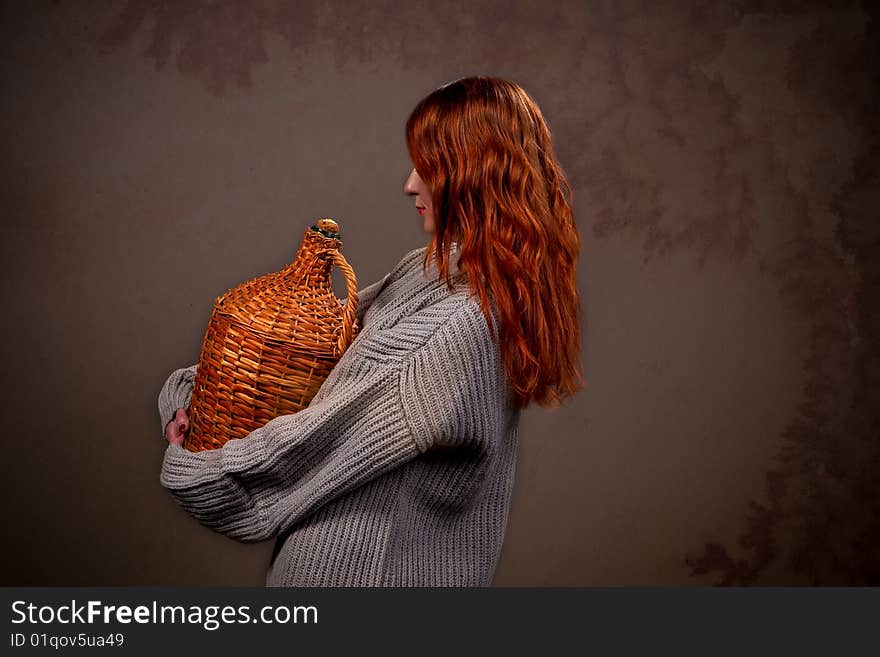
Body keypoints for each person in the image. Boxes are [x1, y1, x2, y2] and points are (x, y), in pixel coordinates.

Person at [158, 76, 583, 586]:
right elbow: (319, 352)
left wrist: (192, 463)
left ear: (475, 173)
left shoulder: (459, 326)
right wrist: (197, 393)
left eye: (427, 167)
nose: (409, 185)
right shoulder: (440, 275)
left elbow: (310, 447)